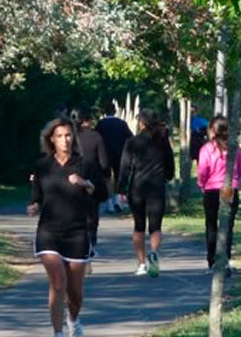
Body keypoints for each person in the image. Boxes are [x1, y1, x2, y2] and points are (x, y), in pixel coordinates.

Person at [27, 118, 108, 337]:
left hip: (77, 232)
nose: (65, 140)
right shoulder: (42, 165)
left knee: (75, 294)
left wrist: (85, 183)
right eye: (60, 136)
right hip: (49, 232)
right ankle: (58, 332)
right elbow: (36, 195)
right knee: (57, 282)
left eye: (68, 135)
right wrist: (33, 206)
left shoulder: (85, 165)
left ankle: (73, 319)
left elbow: (103, 194)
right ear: (51, 139)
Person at [117, 109, 174, 277]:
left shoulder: (132, 142)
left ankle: (141, 263)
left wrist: (121, 186)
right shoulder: (162, 141)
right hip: (157, 187)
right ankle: (154, 253)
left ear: (141, 123)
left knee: (139, 226)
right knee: (155, 227)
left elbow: (125, 166)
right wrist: (168, 175)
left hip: (137, 187)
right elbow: (169, 162)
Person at [197, 115, 241, 276]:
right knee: (228, 226)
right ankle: (226, 259)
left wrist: (202, 184)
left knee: (211, 225)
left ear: (212, 130)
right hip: (230, 189)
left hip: (211, 189)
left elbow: (203, 170)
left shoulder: (207, 149)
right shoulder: (234, 148)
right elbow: (240, 168)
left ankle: (212, 260)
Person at [70, 105, 109, 269]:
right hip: (91, 181)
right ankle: (90, 245)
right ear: (87, 120)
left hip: (70, 180)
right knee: (92, 217)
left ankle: (76, 246)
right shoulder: (95, 137)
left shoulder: (67, 137)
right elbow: (104, 163)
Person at [96, 100, 133, 213]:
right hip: (120, 153)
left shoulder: (101, 124)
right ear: (115, 111)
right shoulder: (121, 123)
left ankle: (109, 202)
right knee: (119, 177)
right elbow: (130, 137)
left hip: (104, 154)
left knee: (106, 178)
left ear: (104, 112)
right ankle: (118, 201)